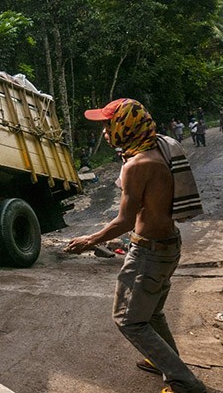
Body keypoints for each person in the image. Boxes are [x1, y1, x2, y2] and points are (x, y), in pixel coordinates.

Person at [65, 98, 206, 393]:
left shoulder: (138, 165)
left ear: (124, 126)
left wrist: (88, 240)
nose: (105, 131)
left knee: (128, 321)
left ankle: (185, 383)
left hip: (150, 251)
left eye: (107, 124)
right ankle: (162, 361)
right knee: (152, 313)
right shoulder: (159, 149)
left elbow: (125, 221)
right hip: (168, 245)